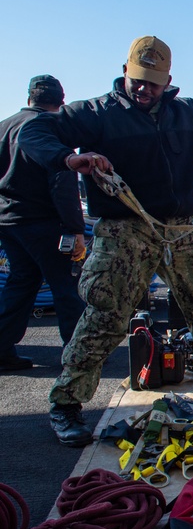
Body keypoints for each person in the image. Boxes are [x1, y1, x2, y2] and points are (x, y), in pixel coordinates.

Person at [19, 36, 193, 446]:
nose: (144, 89)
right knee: (106, 315)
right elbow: (34, 130)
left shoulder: (186, 113)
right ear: (125, 71)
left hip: (180, 228)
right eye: (138, 80)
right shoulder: (95, 114)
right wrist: (69, 160)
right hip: (126, 228)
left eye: (153, 83)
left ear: (167, 80)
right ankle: (66, 404)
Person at [0, 75, 86, 371]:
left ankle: (1, 348)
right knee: (66, 286)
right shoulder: (52, 130)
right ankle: (79, 355)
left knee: (21, 283)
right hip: (43, 222)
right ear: (61, 103)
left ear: (29, 99)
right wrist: (75, 229)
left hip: (9, 222)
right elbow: (63, 184)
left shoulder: (4, 126)